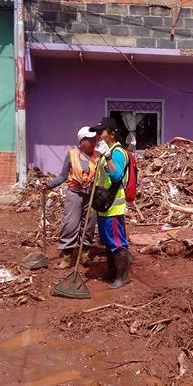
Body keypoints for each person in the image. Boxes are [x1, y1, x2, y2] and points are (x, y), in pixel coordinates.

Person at [43, 126, 98, 268]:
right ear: (82, 141)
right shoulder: (72, 155)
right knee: (71, 224)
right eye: (90, 140)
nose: (94, 143)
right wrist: (49, 185)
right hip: (75, 194)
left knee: (89, 225)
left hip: (92, 195)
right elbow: (63, 176)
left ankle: (84, 255)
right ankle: (67, 257)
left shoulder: (98, 156)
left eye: (95, 140)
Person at [89, 117, 131, 290]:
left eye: (101, 132)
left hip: (113, 205)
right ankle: (112, 272)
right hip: (103, 204)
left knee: (117, 242)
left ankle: (123, 276)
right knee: (107, 240)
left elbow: (116, 176)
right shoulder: (106, 151)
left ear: (112, 134)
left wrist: (107, 156)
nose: (98, 136)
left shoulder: (118, 153)